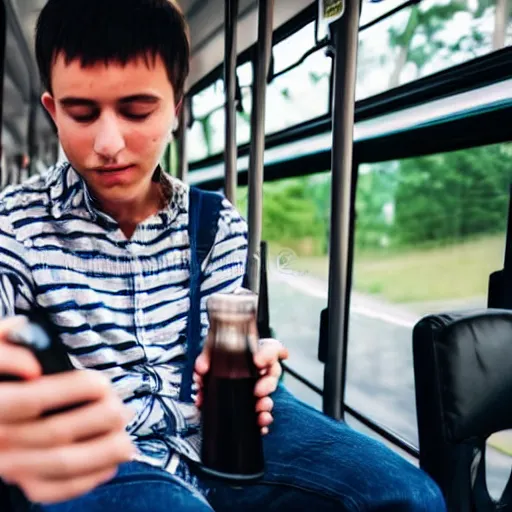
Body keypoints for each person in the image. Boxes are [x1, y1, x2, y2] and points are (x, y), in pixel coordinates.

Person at [0, 0, 447, 510]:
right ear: (53, 110)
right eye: (82, 113)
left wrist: (253, 363)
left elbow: (223, 342)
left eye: (137, 111)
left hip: (213, 430)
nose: (108, 143)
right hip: (97, 449)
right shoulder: (15, 223)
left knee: (407, 495)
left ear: (177, 107)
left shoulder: (215, 224)